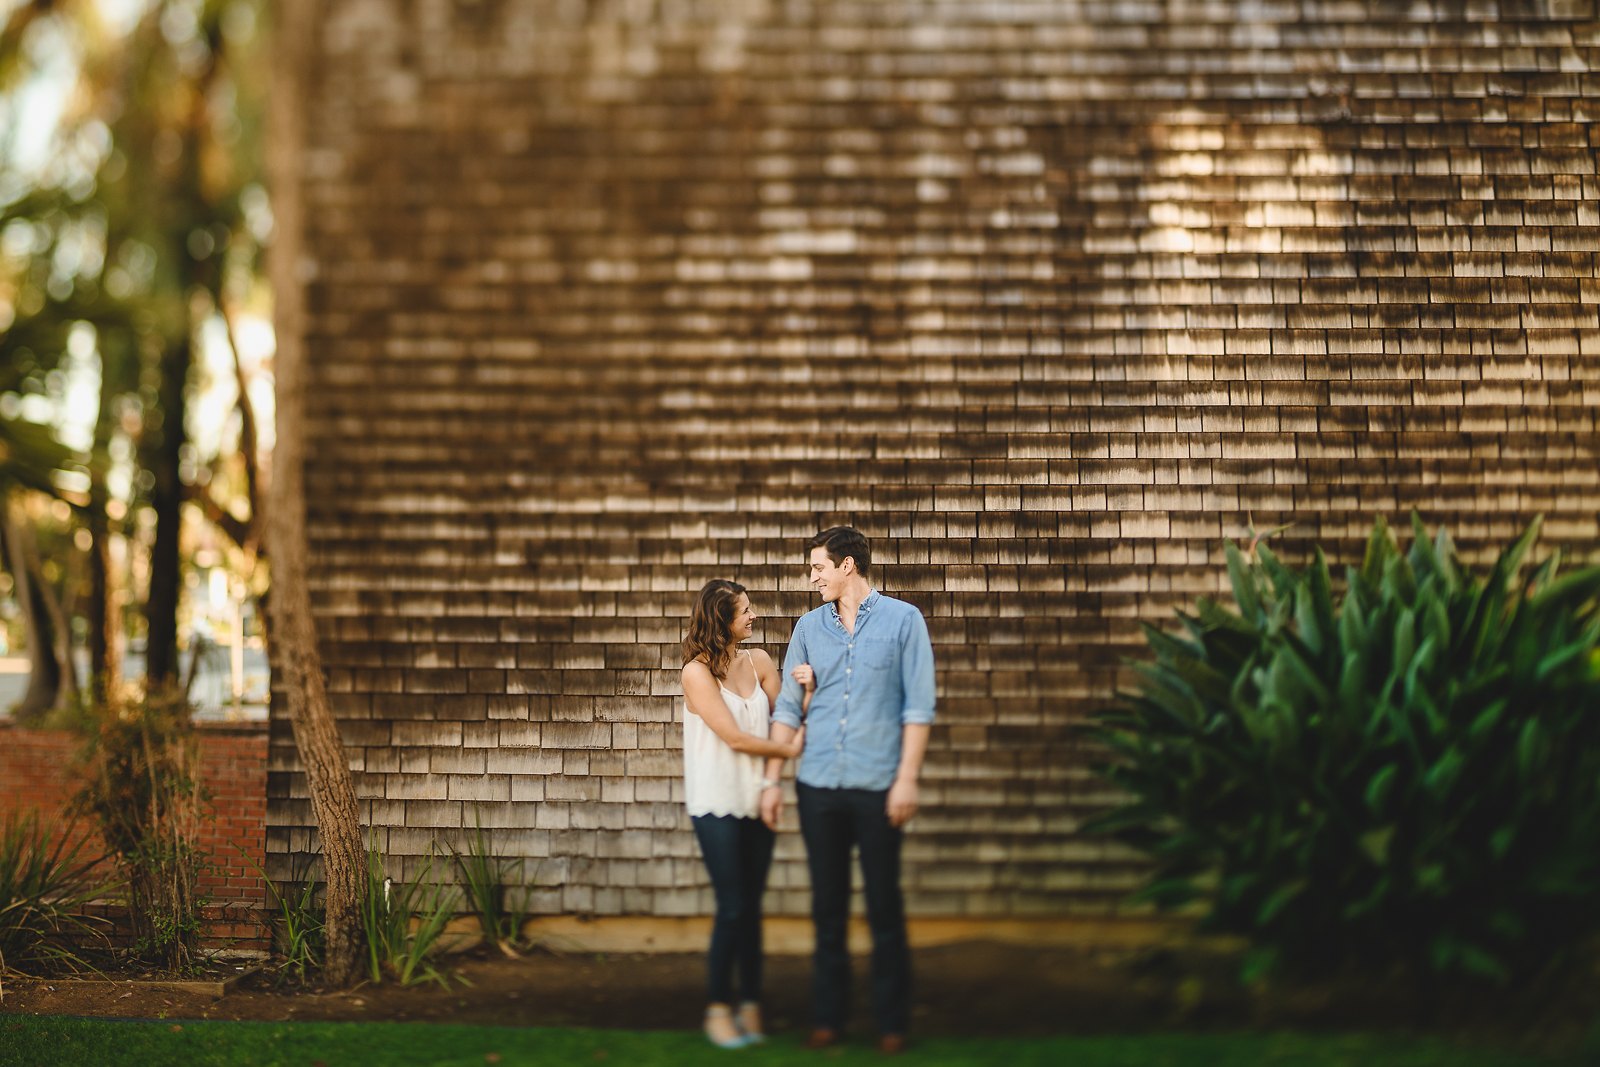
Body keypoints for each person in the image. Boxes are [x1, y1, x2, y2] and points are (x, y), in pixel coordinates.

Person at [762, 526, 936, 1055]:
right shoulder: (808, 628)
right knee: (828, 907)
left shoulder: (905, 621)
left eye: (818, 567)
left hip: (879, 784)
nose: (812, 577)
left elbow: (917, 707)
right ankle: (828, 1019)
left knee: (884, 905)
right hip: (819, 785)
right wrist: (772, 781)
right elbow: (789, 708)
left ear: (848, 567)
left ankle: (891, 1023)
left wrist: (906, 778)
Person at [681, 578, 809, 1049]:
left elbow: (787, 715)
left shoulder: (759, 661)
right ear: (721, 620)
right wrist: (788, 751)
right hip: (716, 802)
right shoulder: (696, 673)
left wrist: (807, 694)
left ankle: (750, 1004)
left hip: (757, 799)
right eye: (745, 611)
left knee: (751, 908)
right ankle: (718, 1008)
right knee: (733, 906)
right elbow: (734, 738)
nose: (753, 616)